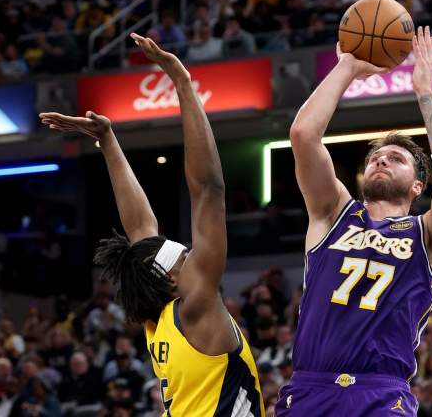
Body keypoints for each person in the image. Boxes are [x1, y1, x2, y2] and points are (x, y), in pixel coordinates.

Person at [39, 33, 264, 416]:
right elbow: (208, 190)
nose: (194, 254)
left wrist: (108, 141)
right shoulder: (196, 308)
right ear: (173, 280)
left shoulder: (156, 322)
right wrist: (182, 82)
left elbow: (141, 230)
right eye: (185, 257)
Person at [276, 26, 432, 416]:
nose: (381, 160)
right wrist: (346, 66)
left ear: (417, 186)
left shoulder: (428, 233)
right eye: (376, 158)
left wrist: (424, 92)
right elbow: (303, 133)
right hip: (310, 387)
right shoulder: (334, 212)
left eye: (396, 158)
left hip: (381, 394)